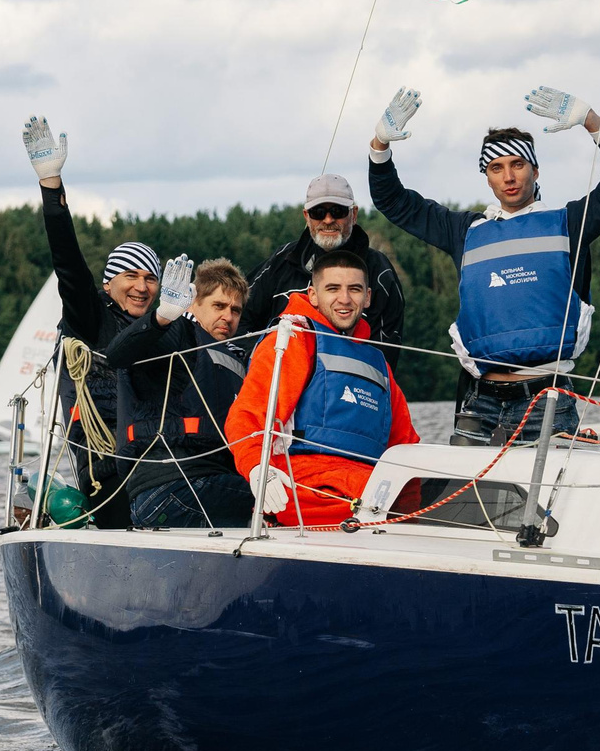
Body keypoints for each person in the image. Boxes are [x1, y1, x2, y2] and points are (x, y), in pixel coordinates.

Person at [366, 84, 600, 445]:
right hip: (480, 404)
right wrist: (379, 146)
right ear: (487, 177)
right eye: (496, 168)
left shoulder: (570, 222)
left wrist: (592, 122)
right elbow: (393, 201)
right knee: (468, 502)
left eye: (517, 164)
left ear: (536, 171)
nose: (508, 177)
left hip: (548, 401)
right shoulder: (464, 232)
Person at [27, 113, 161, 528]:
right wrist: (52, 187)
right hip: (106, 464)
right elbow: (67, 263)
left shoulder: (164, 327)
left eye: (150, 278)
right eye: (131, 276)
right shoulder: (90, 319)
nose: (141, 286)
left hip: (161, 455)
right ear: (108, 285)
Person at [226, 247, 423, 529]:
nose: (344, 299)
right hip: (305, 508)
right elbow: (247, 416)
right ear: (313, 295)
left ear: (368, 297)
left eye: (354, 289)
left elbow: (405, 446)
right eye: (333, 288)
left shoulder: (378, 363)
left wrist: (409, 517)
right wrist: (259, 468)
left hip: (370, 509)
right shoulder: (293, 340)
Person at [105, 255, 255, 529]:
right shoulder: (178, 334)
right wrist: (162, 316)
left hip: (196, 484)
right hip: (175, 485)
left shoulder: (235, 356)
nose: (228, 316)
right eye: (219, 306)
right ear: (194, 303)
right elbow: (117, 355)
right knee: (288, 503)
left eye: (236, 310)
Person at [237, 173, 407, 350]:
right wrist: (262, 361)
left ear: (354, 214)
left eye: (338, 211)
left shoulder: (380, 271)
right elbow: (239, 317)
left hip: (350, 375)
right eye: (318, 212)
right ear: (306, 216)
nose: (328, 220)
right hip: (277, 372)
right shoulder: (283, 259)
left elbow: (385, 351)